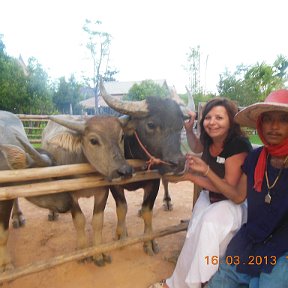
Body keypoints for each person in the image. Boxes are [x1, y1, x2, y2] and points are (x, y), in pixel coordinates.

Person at [187, 89, 288, 288]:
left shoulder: (238, 146)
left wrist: (203, 172)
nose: (274, 127)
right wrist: (201, 172)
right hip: (251, 241)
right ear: (260, 123)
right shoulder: (256, 158)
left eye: (284, 119)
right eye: (268, 119)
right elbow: (238, 196)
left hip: (283, 248)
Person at [148, 97, 252, 288]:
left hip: (232, 204)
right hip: (210, 196)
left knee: (207, 225)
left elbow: (234, 194)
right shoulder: (210, 139)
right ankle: (175, 284)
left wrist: (197, 175)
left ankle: (202, 282)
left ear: (231, 120)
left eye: (219, 118)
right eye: (208, 117)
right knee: (193, 232)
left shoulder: (238, 145)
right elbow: (196, 147)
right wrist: (188, 130)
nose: (212, 122)